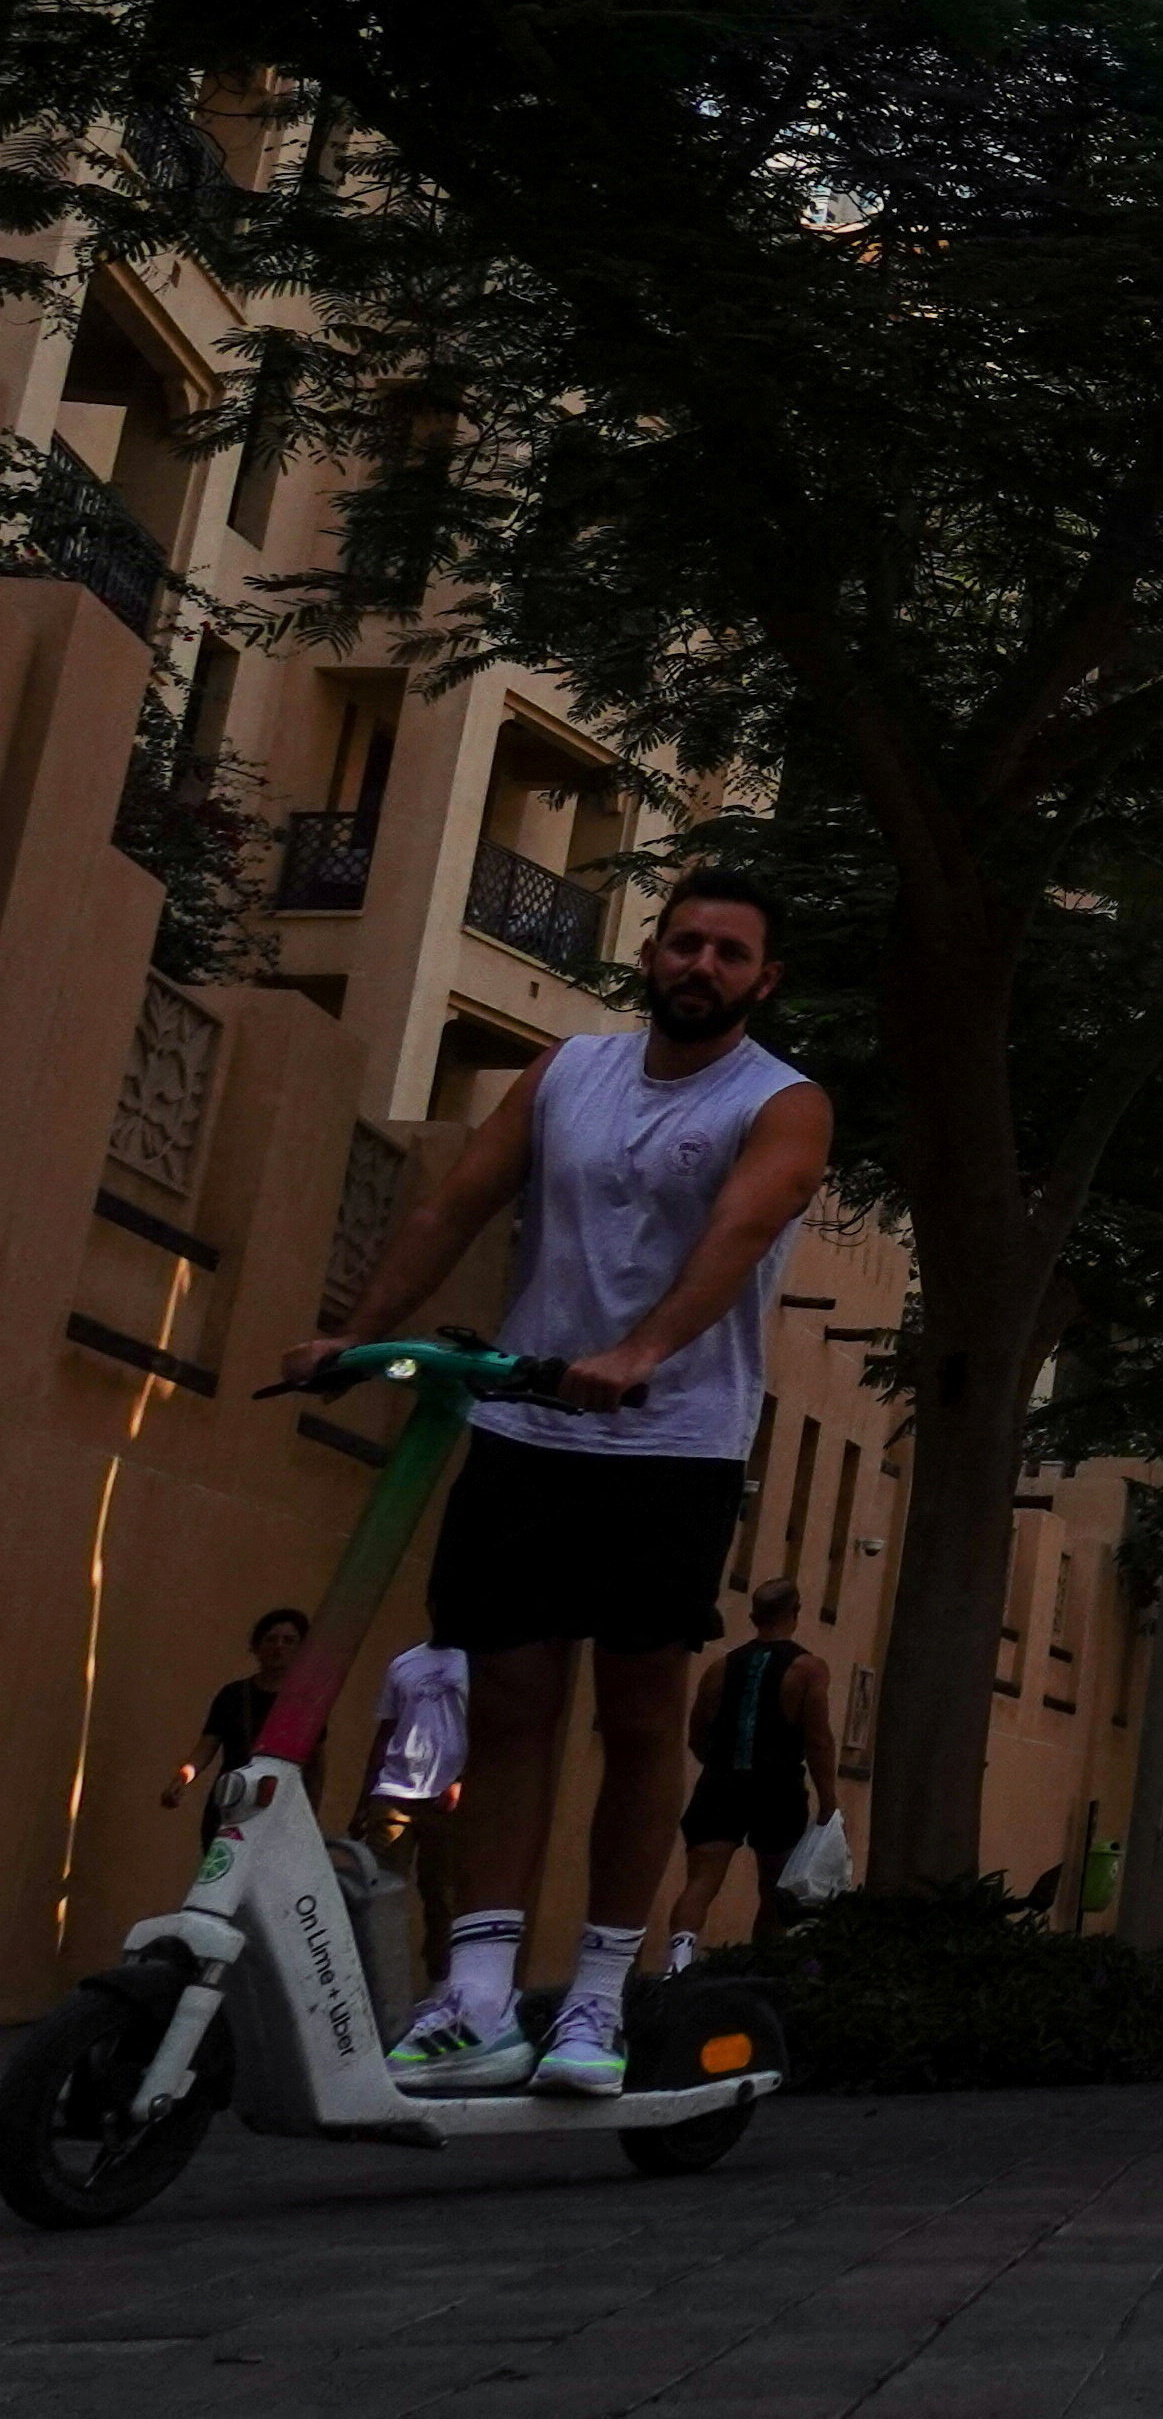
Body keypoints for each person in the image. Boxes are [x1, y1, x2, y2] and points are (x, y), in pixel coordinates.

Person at [295, 872, 831, 2098]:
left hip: (671, 1443)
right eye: (684, 942)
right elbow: (453, 1205)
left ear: (763, 979)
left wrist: (641, 1352)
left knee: (638, 1719)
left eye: (729, 952)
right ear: (650, 952)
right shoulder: (565, 1073)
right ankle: (479, 1992)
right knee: (510, 1707)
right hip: (524, 1427)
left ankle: (597, 1993)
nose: (700, 965)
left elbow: (742, 1232)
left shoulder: (781, 1102)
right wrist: (352, 1334)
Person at [657, 1578, 832, 1970]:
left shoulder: (720, 1667)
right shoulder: (808, 1670)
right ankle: (763, 1966)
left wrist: (718, 1763)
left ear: (753, 1617)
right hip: (778, 1787)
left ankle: (678, 1963)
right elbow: (818, 1740)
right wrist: (828, 1801)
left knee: (700, 1882)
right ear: (796, 1613)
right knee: (774, 1889)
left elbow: (697, 1733)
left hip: (721, 1783)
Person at [170, 1608, 321, 1807]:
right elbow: (205, 1748)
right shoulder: (232, 1695)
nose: (278, 1646)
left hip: (280, 1806)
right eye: (271, 1639)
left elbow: (315, 1763)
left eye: (288, 1641)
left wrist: (311, 1810)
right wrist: (182, 1779)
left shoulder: (305, 1702)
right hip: (232, 1800)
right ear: (257, 1646)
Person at [358, 1635, 469, 1863]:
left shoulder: (477, 1664)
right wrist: (365, 1799)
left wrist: (462, 1780)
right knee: (381, 1878)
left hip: (448, 1800)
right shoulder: (404, 1663)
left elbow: (489, 1731)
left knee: (441, 1882)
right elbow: (386, 1731)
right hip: (395, 1792)